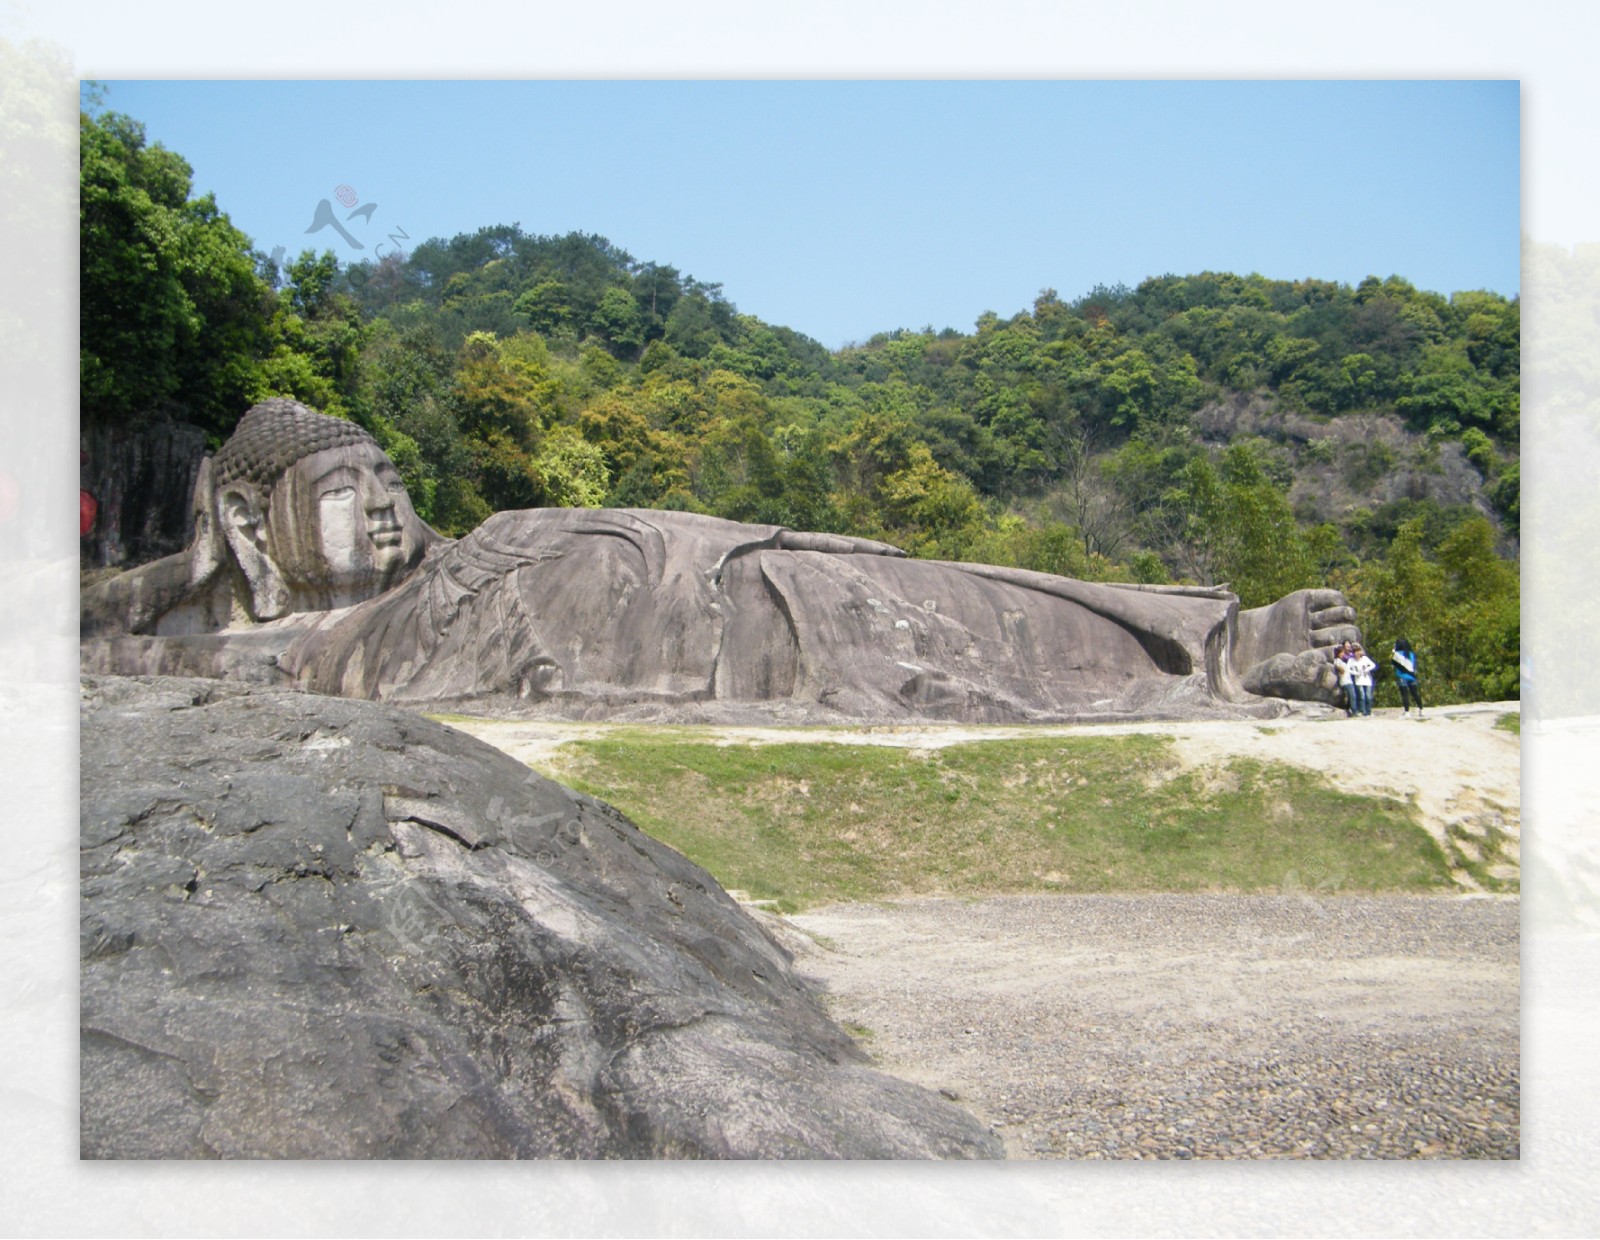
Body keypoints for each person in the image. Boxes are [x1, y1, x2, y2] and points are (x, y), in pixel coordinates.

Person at [83, 399, 1364, 722]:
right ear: (255, 529)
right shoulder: (295, 648)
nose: (380, 514)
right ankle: (1214, 660)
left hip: (720, 563)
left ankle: (1213, 641)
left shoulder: (464, 548)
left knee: (916, 583)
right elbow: (132, 647)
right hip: (690, 643)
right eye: (343, 494)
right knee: (890, 645)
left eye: (389, 485)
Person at [1392, 638, 1423, 718]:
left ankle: (1407, 712)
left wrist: (1393, 651)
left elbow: (1393, 662)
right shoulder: (1411, 654)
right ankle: (1421, 709)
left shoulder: (1397, 654)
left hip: (1402, 676)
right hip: (1412, 676)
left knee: (1405, 695)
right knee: (1415, 693)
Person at [1348, 643, 1377, 716]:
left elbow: (1373, 665)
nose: (1357, 653)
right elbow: (1348, 669)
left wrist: (1367, 669)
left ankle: (1369, 711)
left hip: (1367, 679)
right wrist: (1355, 673)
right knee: (1362, 696)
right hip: (1358, 680)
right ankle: (1363, 711)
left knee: (1368, 696)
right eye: (1355, 652)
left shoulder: (1365, 658)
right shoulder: (1351, 660)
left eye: (1358, 651)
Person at [1333, 641, 1355, 716]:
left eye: (1343, 653)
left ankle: (1348, 709)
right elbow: (1341, 670)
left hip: (1349, 680)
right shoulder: (1337, 661)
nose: (1342, 654)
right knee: (1352, 696)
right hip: (1345, 681)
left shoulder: (1343, 661)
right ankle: (1354, 711)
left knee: (1350, 696)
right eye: (1341, 653)